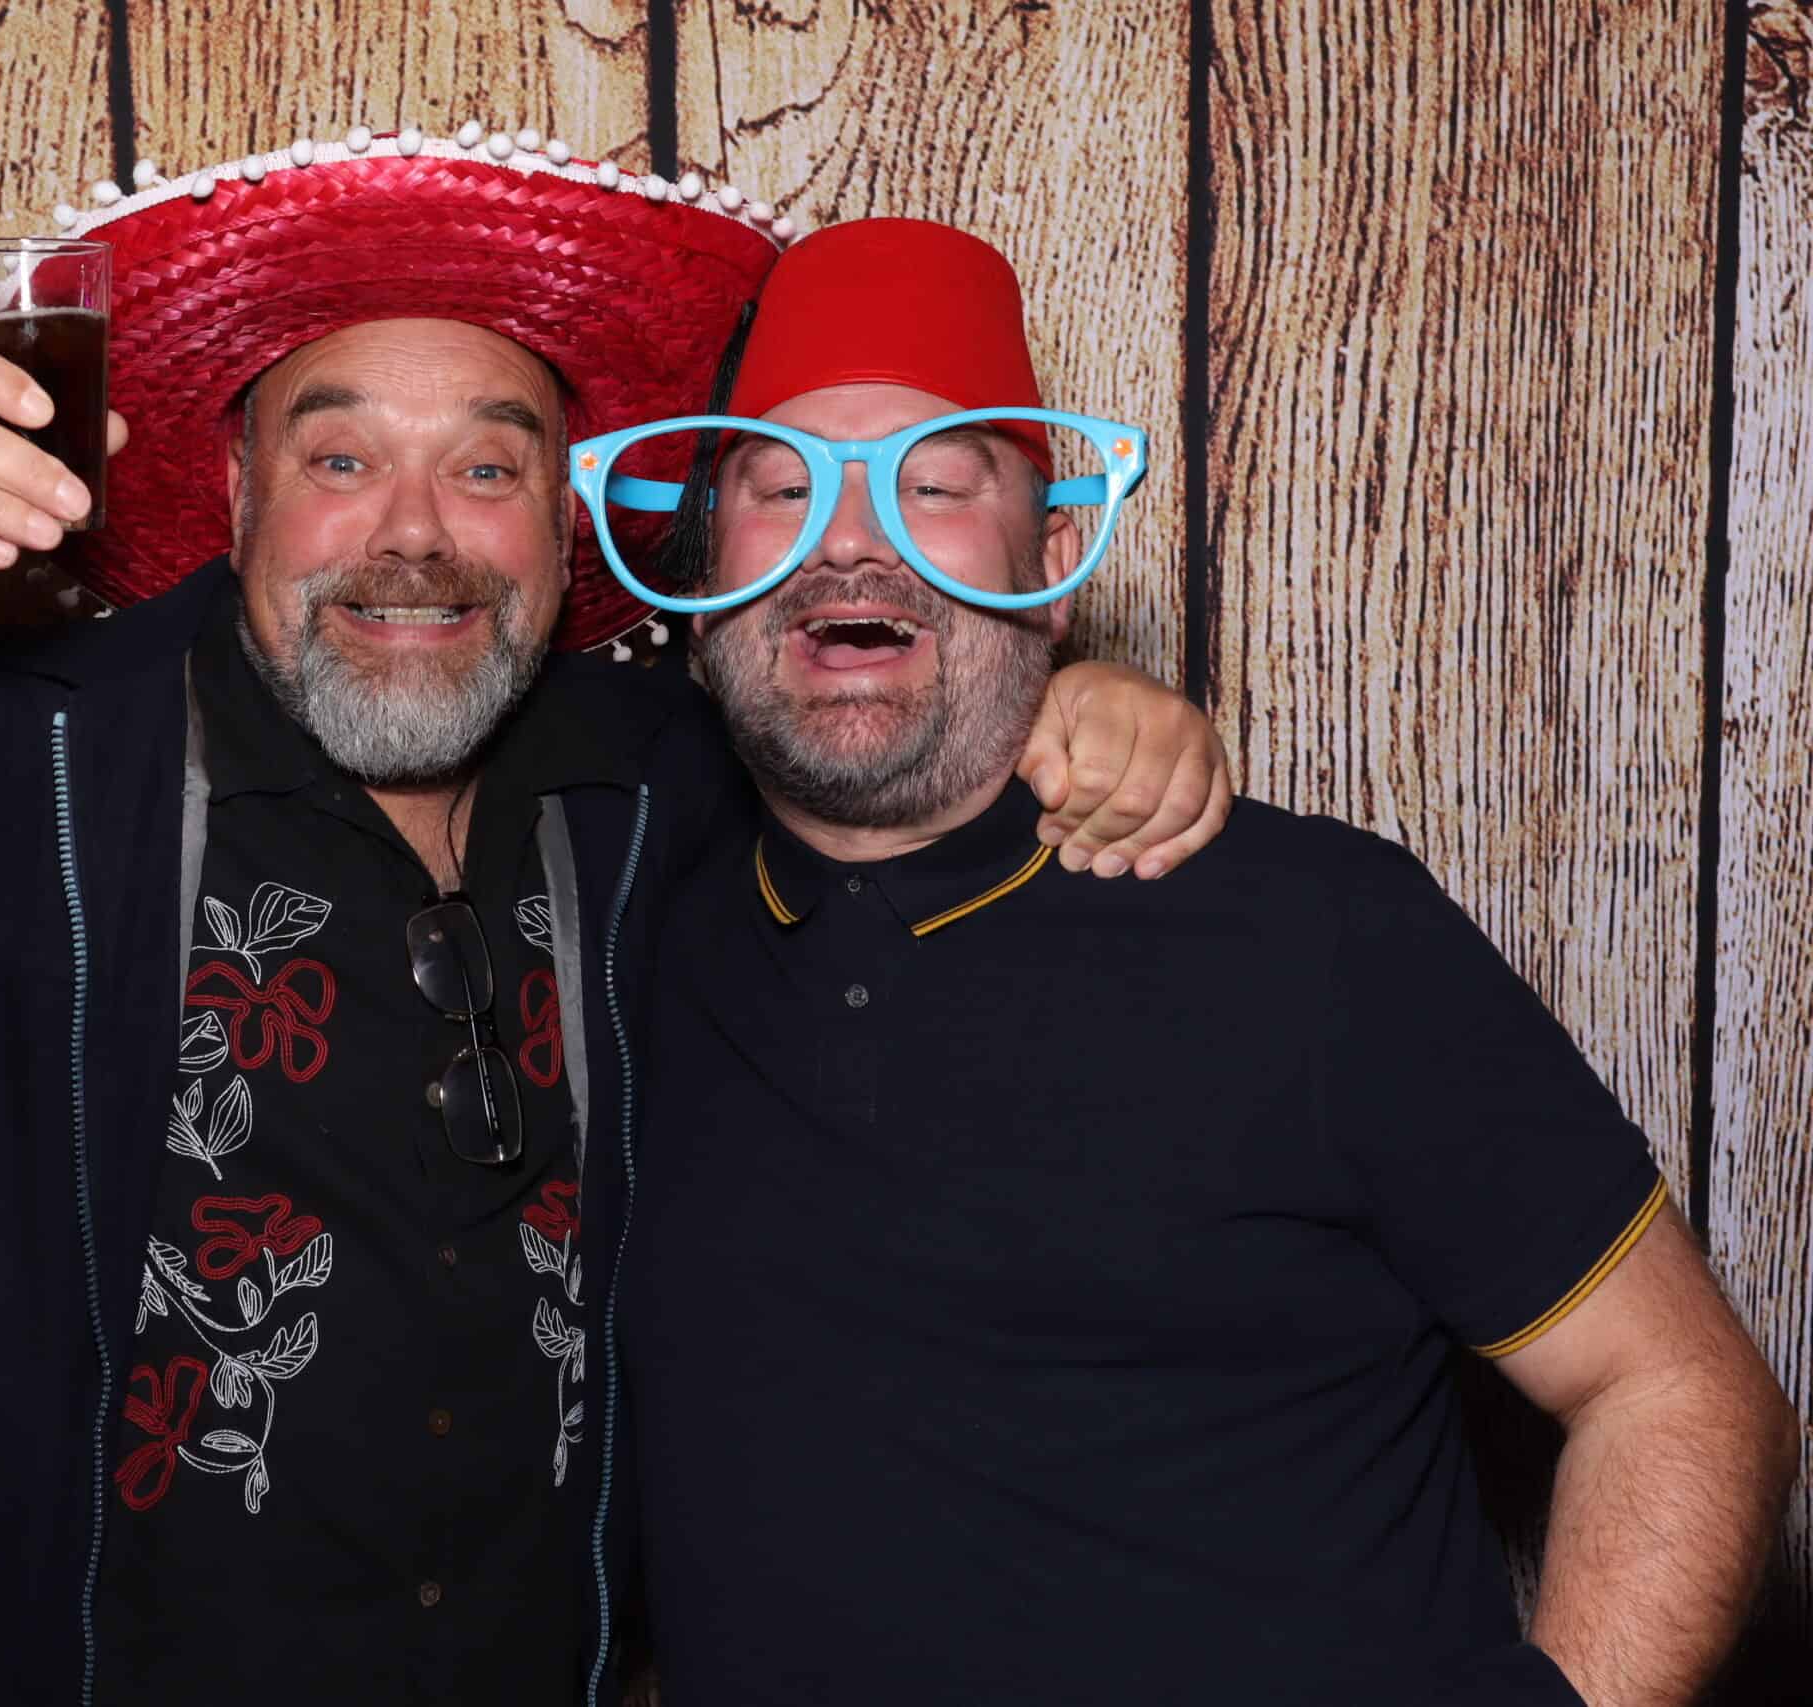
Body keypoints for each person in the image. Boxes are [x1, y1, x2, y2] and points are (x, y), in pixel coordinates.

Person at [0, 142, 1226, 1707]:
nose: (416, 538)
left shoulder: (663, 776)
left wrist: (1091, 707)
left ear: (569, 527)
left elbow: (892, 736)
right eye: (343, 461)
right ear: (238, 492)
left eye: (492, 468)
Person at [614, 217, 1800, 1707]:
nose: (852, 541)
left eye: (934, 488)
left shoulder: (1317, 933)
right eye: (782, 489)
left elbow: (1684, 1394)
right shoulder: (620, 922)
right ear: (706, 573)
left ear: (1055, 567)